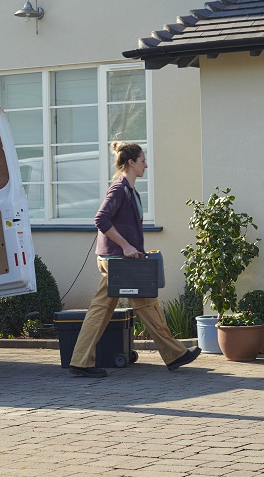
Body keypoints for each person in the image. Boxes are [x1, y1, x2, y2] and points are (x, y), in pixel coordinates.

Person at [68, 142, 201, 378]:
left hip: (122, 260)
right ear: (131, 162)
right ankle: (81, 361)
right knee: (131, 307)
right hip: (116, 261)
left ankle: (174, 354)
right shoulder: (119, 189)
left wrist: (134, 248)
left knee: (133, 306)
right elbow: (101, 219)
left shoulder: (130, 191)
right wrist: (126, 246)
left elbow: (124, 226)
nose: (146, 165)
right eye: (142, 161)